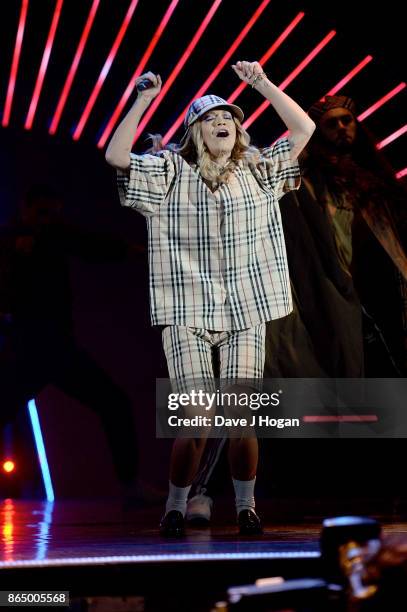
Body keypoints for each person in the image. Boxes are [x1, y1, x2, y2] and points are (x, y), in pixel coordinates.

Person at [105, 60, 315, 536]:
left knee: (241, 416)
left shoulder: (257, 171)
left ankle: (246, 507)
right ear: (195, 132)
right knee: (196, 417)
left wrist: (262, 83)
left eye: (229, 118)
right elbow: (117, 157)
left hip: (246, 308)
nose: (222, 122)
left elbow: (304, 128)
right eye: (210, 118)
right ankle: (175, 507)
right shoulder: (169, 172)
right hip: (187, 310)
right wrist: (142, 99)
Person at [0, 185, 146, 502]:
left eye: (53, 214)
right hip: (31, 350)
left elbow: (93, 246)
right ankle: (131, 488)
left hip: (54, 350)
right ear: (25, 210)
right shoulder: (14, 241)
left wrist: (135, 251)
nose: (48, 220)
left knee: (114, 404)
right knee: (114, 404)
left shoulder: (53, 237)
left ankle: (130, 487)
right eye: (42, 213)